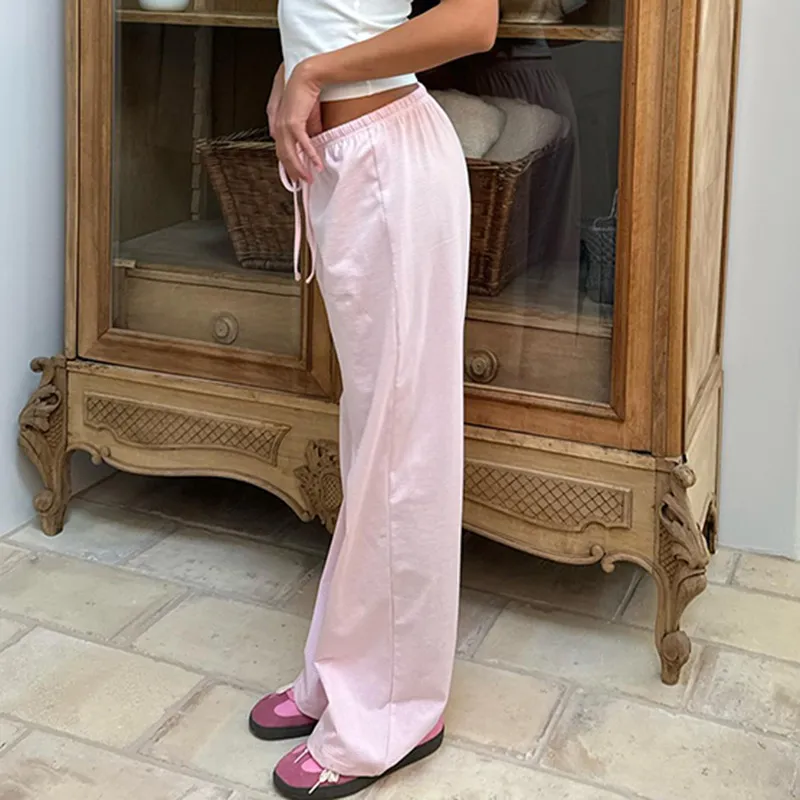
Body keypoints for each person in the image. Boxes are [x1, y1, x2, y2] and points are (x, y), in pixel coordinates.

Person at [246, 0, 498, 797]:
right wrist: (294, 69)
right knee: (374, 441)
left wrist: (313, 72)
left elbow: (475, 21)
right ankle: (341, 673)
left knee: (400, 451)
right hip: (351, 165)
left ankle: (393, 711)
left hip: (389, 165)